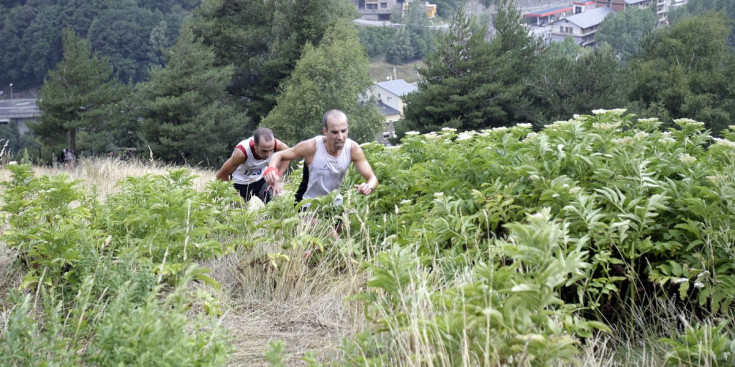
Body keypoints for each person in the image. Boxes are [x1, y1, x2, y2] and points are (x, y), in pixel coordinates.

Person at [264, 109, 378, 217]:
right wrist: (272, 171)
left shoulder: (353, 148)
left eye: (344, 131)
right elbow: (278, 155)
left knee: (342, 234)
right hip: (307, 202)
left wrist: (369, 187)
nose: (340, 137)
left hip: (334, 202)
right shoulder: (312, 146)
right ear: (325, 131)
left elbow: (372, 178)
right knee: (332, 235)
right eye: (334, 132)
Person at [216, 127, 289, 203]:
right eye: (264, 151)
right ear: (255, 146)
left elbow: (288, 155)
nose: (268, 154)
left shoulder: (278, 145)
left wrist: (277, 180)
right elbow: (221, 176)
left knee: (277, 204)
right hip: (240, 184)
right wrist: (234, 194)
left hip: (261, 180)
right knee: (239, 212)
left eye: (271, 150)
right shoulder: (242, 153)